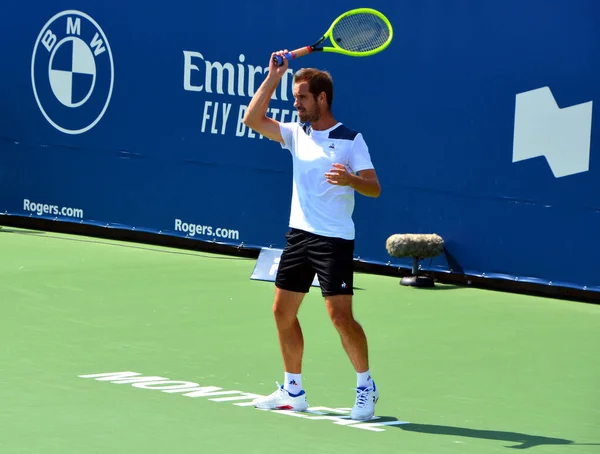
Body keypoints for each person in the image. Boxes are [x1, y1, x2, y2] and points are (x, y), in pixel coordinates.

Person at [242, 50, 382, 421]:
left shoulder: (352, 140)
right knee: (281, 312)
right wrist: (274, 76)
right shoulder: (295, 133)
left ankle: (366, 386)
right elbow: (252, 119)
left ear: (322, 98)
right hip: (299, 237)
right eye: (295, 98)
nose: (296, 103)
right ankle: (293, 390)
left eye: (302, 97)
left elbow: (374, 188)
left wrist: (350, 180)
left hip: (334, 240)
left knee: (339, 317)